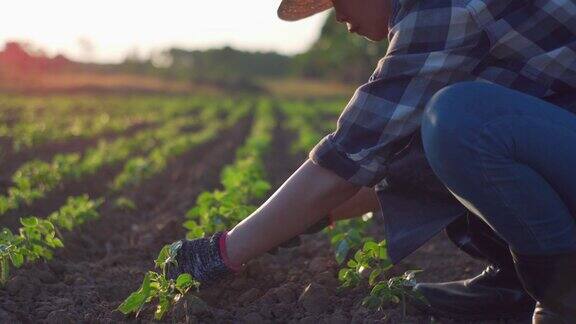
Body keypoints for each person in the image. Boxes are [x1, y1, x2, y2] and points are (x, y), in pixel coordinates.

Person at [167, 0, 576, 322]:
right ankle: (516, 282)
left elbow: (347, 158)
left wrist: (223, 251)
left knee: (459, 119)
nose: (341, 18)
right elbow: (398, 161)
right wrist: (307, 218)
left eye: (339, 1)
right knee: (436, 132)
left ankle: (564, 294)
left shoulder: (440, 7)